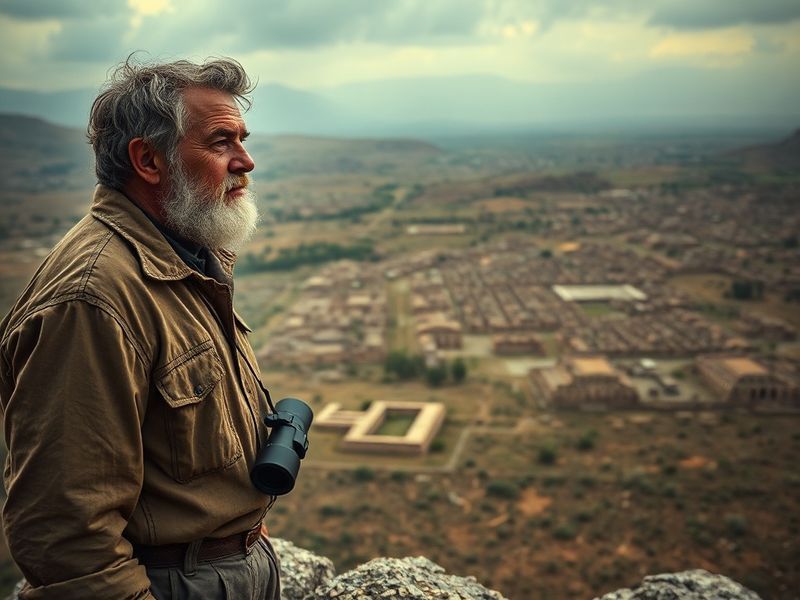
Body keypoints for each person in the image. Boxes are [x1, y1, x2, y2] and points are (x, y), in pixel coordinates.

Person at [0, 56, 282, 599]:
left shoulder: (183, 256)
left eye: (242, 140)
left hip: (223, 568)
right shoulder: (93, 298)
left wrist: (232, 525)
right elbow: (65, 531)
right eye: (221, 142)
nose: (245, 161)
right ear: (148, 161)